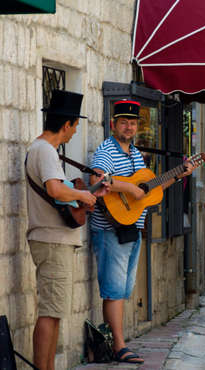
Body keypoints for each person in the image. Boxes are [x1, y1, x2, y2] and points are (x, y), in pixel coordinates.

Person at [89, 100, 198, 364]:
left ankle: (120, 341)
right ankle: (119, 345)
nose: (129, 127)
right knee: (114, 290)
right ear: (114, 124)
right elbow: (97, 181)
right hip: (110, 228)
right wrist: (129, 189)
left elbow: (150, 189)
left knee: (123, 289)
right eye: (124, 122)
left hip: (132, 227)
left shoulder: (135, 154)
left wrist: (180, 174)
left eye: (133, 123)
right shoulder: (106, 151)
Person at [25, 90, 108, 370]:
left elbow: (64, 198)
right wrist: (85, 197)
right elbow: (56, 189)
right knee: (50, 312)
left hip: (54, 239)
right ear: (66, 125)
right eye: (75, 126)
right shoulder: (45, 151)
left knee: (55, 311)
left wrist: (91, 193)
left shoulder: (42, 151)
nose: (74, 133)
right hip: (52, 240)